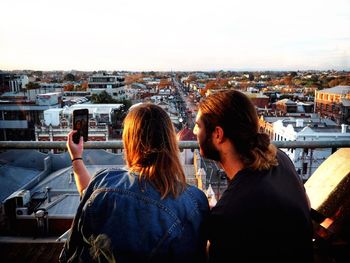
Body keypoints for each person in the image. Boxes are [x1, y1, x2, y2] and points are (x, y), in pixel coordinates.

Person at [60, 103, 209, 263]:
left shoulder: (103, 182)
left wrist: (76, 157)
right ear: (170, 142)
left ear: (129, 141)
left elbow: (86, 194)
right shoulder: (194, 201)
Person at [193, 90, 313, 262]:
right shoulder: (280, 159)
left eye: (198, 125)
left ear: (218, 134)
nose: (194, 130)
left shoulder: (228, 213)